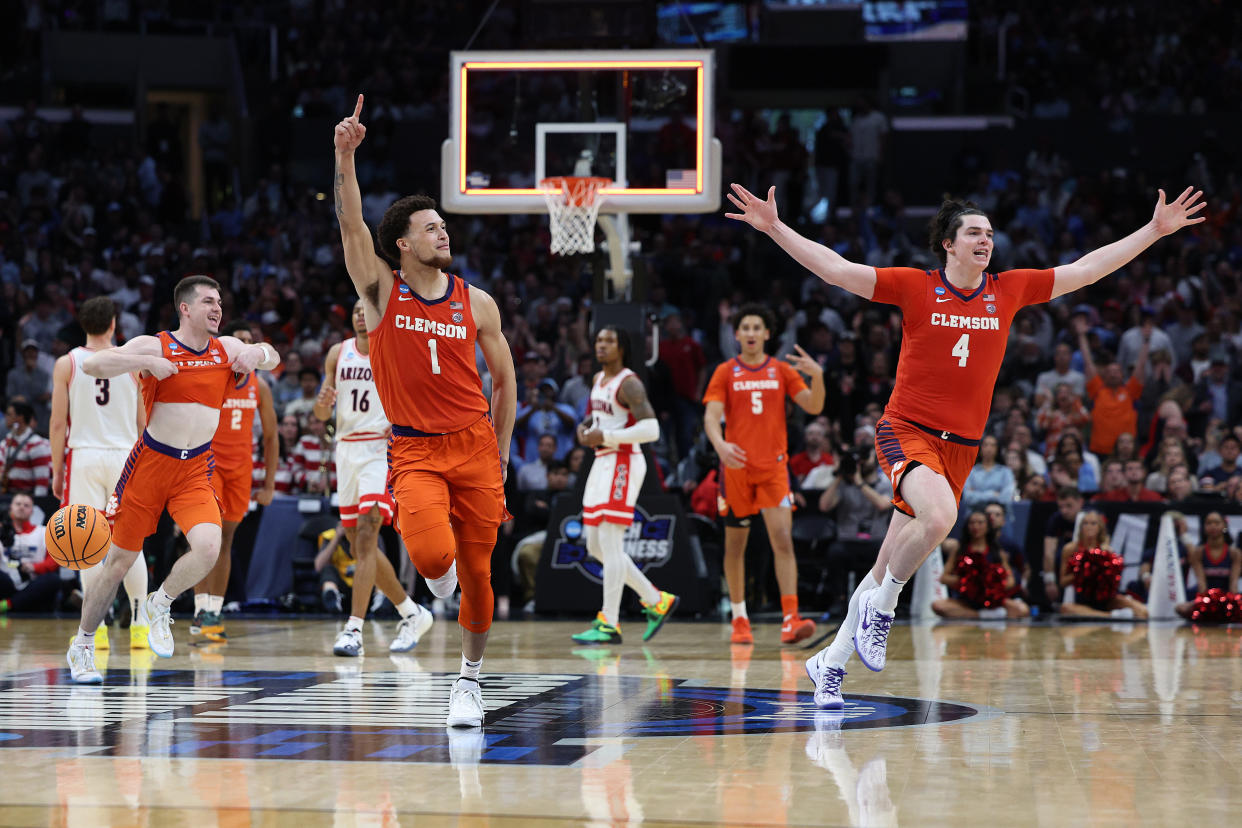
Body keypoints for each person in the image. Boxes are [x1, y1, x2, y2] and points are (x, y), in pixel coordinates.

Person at [724, 180, 1203, 708]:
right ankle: (882, 611)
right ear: (948, 244)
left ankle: (829, 663)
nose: (985, 240)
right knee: (939, 518)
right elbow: (836, 269)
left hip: (963, 447)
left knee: (888, 557)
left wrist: (1154, 231)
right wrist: (775, 228)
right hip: (907, 430)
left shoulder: (1009, 288)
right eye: (974, 232)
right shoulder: (914, 286)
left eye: (990, 234)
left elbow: (1087, 269)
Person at [334, 95, 515, 728]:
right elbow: (353, 225)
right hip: (414, 449)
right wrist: (344, 158)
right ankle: (436, 590)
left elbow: (505, 378)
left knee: (479, 572)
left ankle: (468, 681)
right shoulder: (382, 291)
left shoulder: (479, 302)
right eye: (432, 227)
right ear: (404, 245)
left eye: (445, 225)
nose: (444, 232)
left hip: (474, 446)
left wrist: (504, 445)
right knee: (435, 562)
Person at [62, 275, 279, 683]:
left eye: (220, 303)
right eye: (209, 302)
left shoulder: (225, 347)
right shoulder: (156, 345)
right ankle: (83, 643)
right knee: (118, 563)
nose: (217, 309)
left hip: (195, 468)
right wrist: (143, 363)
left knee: (209, 547)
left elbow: (273, 356)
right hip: (150, 465)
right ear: (185, 308)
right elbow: (93, 364)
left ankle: (161, 603)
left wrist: (256, 352)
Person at [312, 298, 434, 657]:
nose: (361, 316)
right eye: (355, 311)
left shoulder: (393, 351)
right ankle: (412, 613)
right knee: (357, 544)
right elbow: (323, 413)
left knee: (367, 533)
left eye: (367, 310)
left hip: (380, 450)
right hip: (345, 450)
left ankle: (353, 629)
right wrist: (323, 402)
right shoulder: (339, 353)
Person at [703, 303, 826, 645]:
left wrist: (817, 376)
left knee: (783, 541)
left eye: (758, 327)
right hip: (737, 470)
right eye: (746, 327)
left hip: (773, 469)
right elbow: (712, 417)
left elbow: (814, 406)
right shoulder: (725, 371)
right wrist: (721, 446)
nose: (752, 333)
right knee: (735, 546)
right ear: (737, 334)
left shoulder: (781, 371)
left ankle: (791, 619)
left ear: (768, 334)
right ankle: (740, 618)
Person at [48, 297, 149, 649]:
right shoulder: (132, 362)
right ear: (113, 324)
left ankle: (98, 625)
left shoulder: (67, 363)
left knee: (86, 545)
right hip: (126, 456)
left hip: (84, 456)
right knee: (130, 542)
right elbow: (142, 423)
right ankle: (139, 622)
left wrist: (57, 471)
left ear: (83, 325)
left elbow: (59, 424)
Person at [571, 326, 679, 645]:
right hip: (602, 460)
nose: (601, 345)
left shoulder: (629, 383)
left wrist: (607, 436)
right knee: (594, 545)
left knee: (611, 543)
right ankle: (656, 599)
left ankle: (609, 621)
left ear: (622, 348)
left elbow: (652, 430)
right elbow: (601, 419)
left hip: (624, 462)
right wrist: (588, 428)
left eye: (609, 341)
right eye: (599, 340)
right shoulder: (597, 380)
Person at [189, 319, 279, 642]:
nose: (243, 344)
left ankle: (214, 612)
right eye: (236, 339)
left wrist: (268, 484)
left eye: (248, 339)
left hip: (241, 470)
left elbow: (271, 437)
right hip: (208, 465)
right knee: (203, 540)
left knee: (225, 542)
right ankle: (200, 609)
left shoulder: (261, 386)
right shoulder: (213, 375)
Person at [931, 510, 1029, 620]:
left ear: (988, 526)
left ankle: (983, 613)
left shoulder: (997, 551)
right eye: (972, 523)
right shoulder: (959, 549)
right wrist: (967, 582)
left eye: (980, 522)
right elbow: (944, 578)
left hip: (993, 600)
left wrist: (993, 585)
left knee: (1022, 609)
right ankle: (983, 615)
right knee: (937, 606)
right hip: (967, 600)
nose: (975, 526)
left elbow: (1010, 579)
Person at [1058, 510, 1148, 619]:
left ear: (1100, 527)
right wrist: (1083, 571)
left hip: (1107, 599)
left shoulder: (1107, 551)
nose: (1089, 527)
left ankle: (1105, 615)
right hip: (1083, 600)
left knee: (1143, 611)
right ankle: (1110, 616)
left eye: (1093, 523)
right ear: (1080, 527)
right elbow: (1062, 582)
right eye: (1085, 523)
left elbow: (1116, 581)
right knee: (1065, 609)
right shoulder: (1070, 549)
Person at [1077, 316, 1146, 457]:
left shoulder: (1130, 391)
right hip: (1099, 451)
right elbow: (1088, 363)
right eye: (1110, 372)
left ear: (1123, 375)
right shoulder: (1097, 390)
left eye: (1117, 371)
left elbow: (1140, 366)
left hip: (1127, 451)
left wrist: (1146, 341)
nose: (1113, 374)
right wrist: (1081, 335)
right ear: (1104, 375)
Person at [0, 493, 62, 614]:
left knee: (53, 580)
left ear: (32, 511)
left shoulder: (44, 532)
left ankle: (8, 605)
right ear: (11, 507)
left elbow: (55, 560)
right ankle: (17, 604)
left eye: (26, 505)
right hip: (6, 582)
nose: (21, 507)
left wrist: (34, 567)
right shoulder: (2, 531)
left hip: (33, 583)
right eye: (18, 504)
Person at [1176, 511, 1241, 618]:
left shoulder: (1235, 554)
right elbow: (1202, 585)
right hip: (1206, 599)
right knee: (1180, 608)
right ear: (1204, 527)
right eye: (1209, 523)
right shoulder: (1199, 553)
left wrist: (1230, 603)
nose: (1212, 526)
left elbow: (1233, 585)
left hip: (1228, 599)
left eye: (1216, 523)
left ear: (1224, 526)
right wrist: (1207, 602)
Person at [1, 401, 51, 496]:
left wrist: (38, 502)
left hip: (27, 497)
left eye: (9, 414)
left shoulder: (36, 444)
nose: (6, 418)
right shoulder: (5, 443)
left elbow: (42, 479)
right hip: (7, 495)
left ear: (20, 418)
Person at [961, 434, 1016, 512]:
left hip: (1000, 515)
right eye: (985, 445)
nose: (989, 448)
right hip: (974, 515)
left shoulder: (1006, 472)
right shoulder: (971, 471)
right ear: (980, 448)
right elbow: (967, 497)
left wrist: (977, 494)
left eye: (993, 445)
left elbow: (1006, 498)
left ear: (997, 449)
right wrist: (993, 494)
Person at [1095, 458, 1164, 502]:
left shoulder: (1154, 497)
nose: (1134, 472)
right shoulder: (1111, 497)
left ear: (1144, 473)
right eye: (1130, 469)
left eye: (1138, 468)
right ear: (1124, 474)